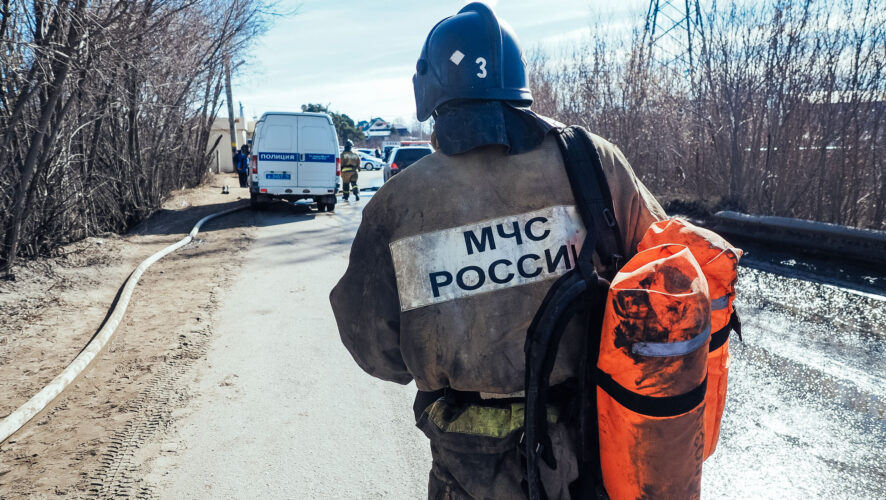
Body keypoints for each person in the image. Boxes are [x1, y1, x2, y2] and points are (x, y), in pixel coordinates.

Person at [330, 3, 666, 499]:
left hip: (469, 468)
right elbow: (667, 281)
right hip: (594, 450)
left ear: (430, 94)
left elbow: (374, 349)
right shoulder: (596, 160)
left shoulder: (397, 204)